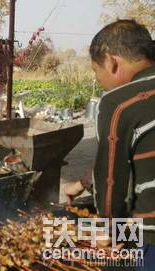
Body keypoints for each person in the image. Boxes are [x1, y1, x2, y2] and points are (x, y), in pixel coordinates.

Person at [63, 20, 155, 270]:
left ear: (111, 61)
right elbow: (137, 153)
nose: (98, 78)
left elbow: (112, 179)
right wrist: (83, 182)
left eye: (95, 70)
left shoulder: (120, 102)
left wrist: (110, 230)